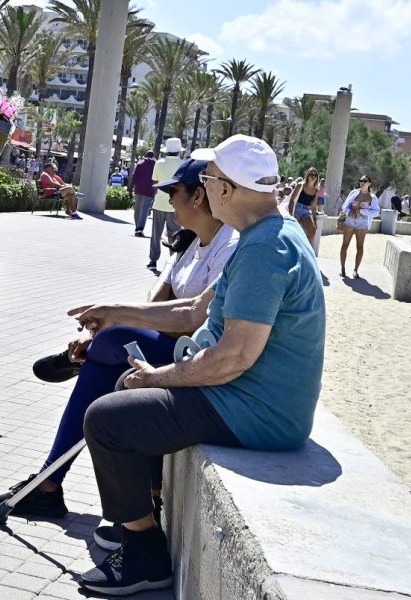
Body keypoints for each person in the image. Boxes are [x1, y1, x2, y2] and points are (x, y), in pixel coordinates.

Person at [71, 135, 325, 595]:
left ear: (226, 189)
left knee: (107, 420)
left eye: (207, 179)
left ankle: (144, 553)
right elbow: (193, 312)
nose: (203, 188)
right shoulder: (267, 234)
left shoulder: (265, 250)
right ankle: (144, 518)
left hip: (255, 410)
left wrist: (160, 376)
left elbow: (233, 357)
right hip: (251, 398)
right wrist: (117, 312)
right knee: (128, 389)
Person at [0, 160, 238, 545]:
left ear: (198, 196)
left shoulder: (229, 248)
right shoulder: (187, 244)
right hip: (166, 344)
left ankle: (50, 482)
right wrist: (118, 327)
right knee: (107, 352)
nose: (168, 201)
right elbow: (154, 307)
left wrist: (117, 324)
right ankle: (51, 481)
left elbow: (195, 322)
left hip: (193, 356)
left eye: (174, 192)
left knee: (109, 347)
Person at [148, 138, 183, 270]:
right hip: (176, 205)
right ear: (179, 151)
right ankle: (174, 262)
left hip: (159, 203)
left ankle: (153, 261)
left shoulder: (159, 163)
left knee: (156, 234)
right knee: (174, 235)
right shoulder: (183, 164)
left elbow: (155, 181)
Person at [339, 175, 380, 279]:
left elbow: (376, 212)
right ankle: (342, 268)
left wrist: (362, 211)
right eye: (361, 180)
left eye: (365, 181)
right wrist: (349, 213)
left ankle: (356, 270)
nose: (362, 182)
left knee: (360, 246)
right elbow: (344, 206)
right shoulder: (354, 193)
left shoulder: (372, 197)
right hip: (350, 220)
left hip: (362, 222)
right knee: (345, 244)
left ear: (369, 183)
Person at [287, 166, 320, 240]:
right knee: (295, 232)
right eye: (311, 174)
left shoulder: (317, 190)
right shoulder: (301, 185)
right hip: (296, 208)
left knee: (312, 232)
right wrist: (291, 214)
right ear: (307, 175)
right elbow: (292, 200)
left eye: (315, 175)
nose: (313, 176)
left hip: (305, 211)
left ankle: (304, 245)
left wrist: (315, 220)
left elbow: (313, 206)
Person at [130, 151, 156, 237]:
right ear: (153, 156)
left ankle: (137, 227)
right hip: (149, 189)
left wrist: (130, 188)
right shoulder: (156, 164)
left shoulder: (140, 163)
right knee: (145, 209)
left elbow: (134, 176)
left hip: (138, 189)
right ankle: (140, 228)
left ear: (145, 156)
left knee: (137, 208)